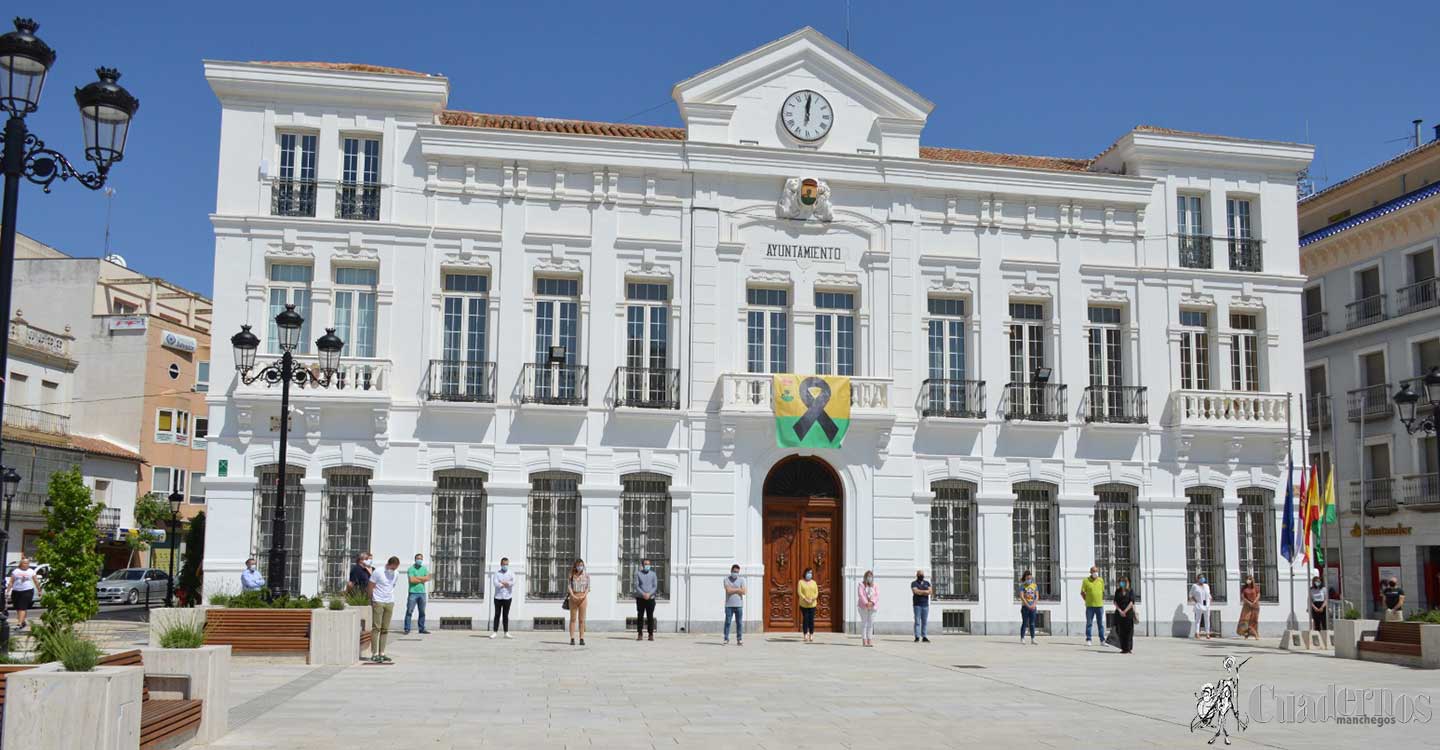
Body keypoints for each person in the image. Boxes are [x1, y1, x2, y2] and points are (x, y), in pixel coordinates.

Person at [368, 556, 401, 663]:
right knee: (376, 627)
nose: (393, 570)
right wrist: (372, 599)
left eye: (395, 568)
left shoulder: (396, 573)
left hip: (389, 601)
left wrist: (389, 597)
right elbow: (371, 585)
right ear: (388, 564)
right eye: (392, 568)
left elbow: (393, 585)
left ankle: (382, 652)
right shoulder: (378, 572)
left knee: (385, 628)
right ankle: (374, 653)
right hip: (378, 600)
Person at [6, 557, 41, 631]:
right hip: (16, 591)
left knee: (22, 607)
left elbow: (36, 581)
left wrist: (39, 590)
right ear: (21, 564)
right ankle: (22, 622)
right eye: (25, 563)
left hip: (27, 591)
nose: (26, 564)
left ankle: (19, 624)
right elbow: (11, 581)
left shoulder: (31, 571)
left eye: (27, 563)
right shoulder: (16, 571)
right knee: (17, 607)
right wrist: (8, 591)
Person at [404, 553, 432, 635]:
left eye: (421, 559)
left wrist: (418, 578)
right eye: (418, 558)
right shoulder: (411, 569)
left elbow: (429, 577)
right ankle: (407, 628)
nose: (419, 560)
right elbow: (412, 580)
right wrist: (423, 579)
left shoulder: (424, 568)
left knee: (422, 612)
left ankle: (422, 628)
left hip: (422, 593)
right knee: (409, 611)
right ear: (415, 559)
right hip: (413, 592)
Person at [490, 557, 514, 639]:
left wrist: (506, 583)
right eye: (504, 564)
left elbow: (513, 581)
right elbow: (495, 583)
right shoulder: (497, 573)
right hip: (498, 597)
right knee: (497, 614)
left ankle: (506, 632)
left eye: (506, 564)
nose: (505, 566)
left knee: (505, 615)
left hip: (508, 597)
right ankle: (495, 632)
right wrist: (503, 584)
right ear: (501, 564)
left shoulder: (511, 573)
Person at [634, 558, 659, 641]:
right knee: (640, 616)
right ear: (642, 565)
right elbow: (637, 586)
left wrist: (649, 594)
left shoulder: (653, 574)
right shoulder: (638, 574)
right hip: (640, 598)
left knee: (650, 616)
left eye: (648, 564)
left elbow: (655, 586)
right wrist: (643, 594)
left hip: (650, 598)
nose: (647, 566)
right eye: (646, 564)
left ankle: (650, 634)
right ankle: (640, 633)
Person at [1081, 566, 1106, 647]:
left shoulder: (1101, 580)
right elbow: (1082, 592)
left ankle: (1102, 640)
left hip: (1099, 605)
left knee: (1100, 624)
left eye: (1096, 571)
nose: (1096, 573)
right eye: (1094, 571)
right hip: (1090, 606)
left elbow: (1102, 592)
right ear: (1091, 572)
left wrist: (1101, 599)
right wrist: (1087, 600)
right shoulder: (1086, 581)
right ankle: (1088, 639)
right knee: (1089, 623)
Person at [568, 559, 590, 646]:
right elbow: (569, 586)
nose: (579, 567)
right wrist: (573, 595)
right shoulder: (572, 575)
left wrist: (584, 595)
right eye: (578, 565)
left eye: (581, 565)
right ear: (575, 566)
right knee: (573, 619)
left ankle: (581, 638)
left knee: (582, 620)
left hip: (583, 598)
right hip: (574, 597)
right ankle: (572, 638)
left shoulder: (586, 576)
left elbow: (588, 587)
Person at [724, 564, 746, 646]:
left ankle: (739, 639)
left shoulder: (741, 580)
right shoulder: (726, 579)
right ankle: (726, 638)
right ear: (731, 571)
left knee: (739, 623)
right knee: (728, 622)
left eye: (737, 572)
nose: (735, 573)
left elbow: (744, 592)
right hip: (729, 605)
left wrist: (733, 589)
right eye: (734, 571)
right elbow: (728, 591)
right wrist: (738, 589)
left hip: (739, 605)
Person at [1112, 580, 1135, 654]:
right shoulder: (1117, 591)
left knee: (1129, 631)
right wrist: (1120, 611)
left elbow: (1131, 602)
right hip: (1119, 614)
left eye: (1123, 582)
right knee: (1121, 631)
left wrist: (1125, 611)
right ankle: (1123, 648)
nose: (1122, 583)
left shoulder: (1130, 591)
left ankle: (1129, 648)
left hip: (1128, 613)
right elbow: (1115, 602)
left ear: (1127, 583)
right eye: (1120, 582)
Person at [857, 570, 879, 647]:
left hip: (873, 607)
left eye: (871, 576)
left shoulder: (875, 585)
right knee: (864, 623)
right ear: (865, 577)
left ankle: (870, 640)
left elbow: (877, 595)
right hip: (863, 607)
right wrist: (866, 603)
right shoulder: (861, 585)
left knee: (871, 624)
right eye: (868, 576)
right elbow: (861, 595)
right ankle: (864, 640)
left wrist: (872, 602)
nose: (869, 578)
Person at [797, 568, 819, 642]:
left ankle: (811, 634)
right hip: (804, 604)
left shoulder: (814, 582)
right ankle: (805, 634)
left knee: (811, 620)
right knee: (805, 619)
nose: (810, 574)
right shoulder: (801, 582)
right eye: (808, 573)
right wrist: (805, 599)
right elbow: (799, 592)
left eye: (811, 573)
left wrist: (812, 599)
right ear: (805, 573)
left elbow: (816, 592)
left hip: (812, 604)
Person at [911, 570, 932, 643]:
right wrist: (925, 592)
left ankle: (924, 636)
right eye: (920, 574)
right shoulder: (914, 583)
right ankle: (917, 637)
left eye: (922, 574)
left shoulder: (927, 583)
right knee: (917, 621)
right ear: (917, 575)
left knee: (924, 621)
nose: (921, 576)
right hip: (917, 605)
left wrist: (920, 592)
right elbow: (915, 591)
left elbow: (930, 592)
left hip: (925, 605)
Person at [1018, 570, 1038, 644]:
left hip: (1033, 607)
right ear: (1025, 578)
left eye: (1030, 578)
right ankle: (1022, 638)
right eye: (1027, 578)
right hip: (1025, 607)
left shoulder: (1034, 585)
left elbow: (1037, 596)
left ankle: (1033, 639)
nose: (1029, 580)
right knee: (1025, 623)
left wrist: (1033, 605)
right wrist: (1028, 605)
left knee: (1032, 623)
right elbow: (1022, 597)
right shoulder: (1022, 586)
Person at [1189, 573, 1212, 639]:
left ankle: (1207, 633)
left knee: (1207, 619)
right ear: (1198, 579)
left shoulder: (1206, 586)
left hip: (1207, 605)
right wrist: (1196, 601)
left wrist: (1210, 599)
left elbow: (1209, 594)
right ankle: (1197, 633)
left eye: (1203, 577)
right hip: (1199, 604)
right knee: (1198, 619)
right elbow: (1191, 595)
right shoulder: (1195, 586)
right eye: (1201, 578)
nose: (1202, 579)